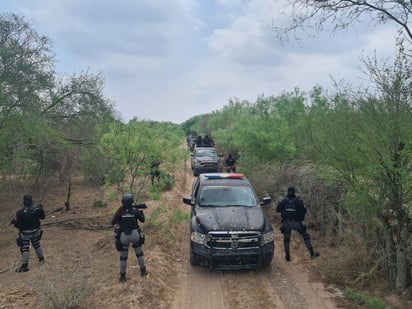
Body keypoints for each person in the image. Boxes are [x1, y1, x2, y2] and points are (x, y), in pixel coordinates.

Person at [276, 187, 319, 262]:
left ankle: (287, 256)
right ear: (294, 192)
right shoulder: (298, 201)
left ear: (288, 192)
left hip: (286, 223)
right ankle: (312, 253)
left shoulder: (284, 201)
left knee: (286, 240)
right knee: (305, 236)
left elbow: (277, 210)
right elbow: (304, 210)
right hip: (297, 223)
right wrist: (300, 219)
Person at [111, 193, 147, 282]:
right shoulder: (135, 210)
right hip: (135, 234)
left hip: (123, 236)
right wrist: (141, 212)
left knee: (123, 257)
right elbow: (142, 220)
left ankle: (122, 277)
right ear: (132, 201)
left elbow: (113, 222)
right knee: (139, 253)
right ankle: (143, 271)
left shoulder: (120, 211)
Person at [11, 195, 45, 272]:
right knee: (36, 244)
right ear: (31, 201)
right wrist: (41, 209)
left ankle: (24, 266)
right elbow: (43, 217)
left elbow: (18, 225)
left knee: (25, 247)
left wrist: (14, 222)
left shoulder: (20, 212)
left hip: (25, 234)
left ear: (24, 202)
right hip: (36, 231)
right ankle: (41, 259)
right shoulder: (37, 208)